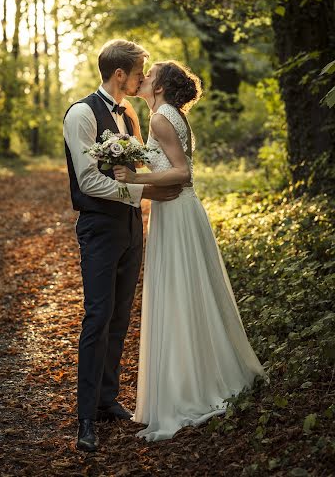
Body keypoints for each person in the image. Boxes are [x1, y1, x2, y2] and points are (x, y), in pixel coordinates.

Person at [113, 60, 268, 442]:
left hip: (178, 211)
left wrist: (135, 178)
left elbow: (182, 172)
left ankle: (188, 388)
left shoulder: (161, 118)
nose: (143, 77)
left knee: (179, 296)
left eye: (150, 75)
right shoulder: (169, 114)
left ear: (161, 87)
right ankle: (199, 372)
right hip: (178, 209)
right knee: (188, 295)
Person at [63, 41, 182, 452]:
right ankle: (83, 419)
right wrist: (144, 194)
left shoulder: (129, 113)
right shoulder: (81, 114)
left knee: (119, 316)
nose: (141, 80)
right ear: (119, 75)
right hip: (98, 227)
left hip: (131, 228)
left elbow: (133, 167)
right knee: (97, 317)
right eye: (137, 73)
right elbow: (88, 181)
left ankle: (105, 399)